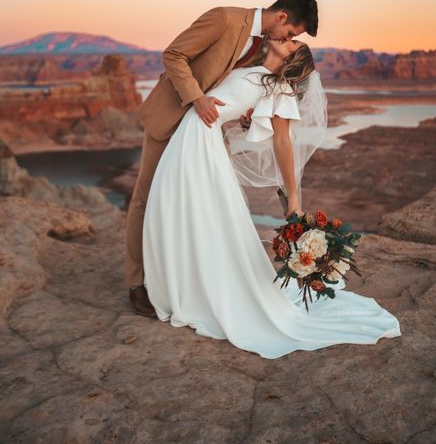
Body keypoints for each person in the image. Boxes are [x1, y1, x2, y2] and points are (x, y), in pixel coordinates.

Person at [141, 37, 402, 359]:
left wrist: (294, 197)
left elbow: (282, 143)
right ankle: (183, 289)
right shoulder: (251, 66)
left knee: (193, 217)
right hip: (191, 137)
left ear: (293, 58)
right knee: (172, 212)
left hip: (201, 146)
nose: (286, 38)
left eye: (292, 41)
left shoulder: (280, 90)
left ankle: (196, 295)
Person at [125, 0, 319, 316]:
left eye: (293, 41)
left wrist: (242, 116)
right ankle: (137, 284)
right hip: (174, 115)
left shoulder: (263, 47)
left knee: (194, 210)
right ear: (282, 17)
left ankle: (183, 280)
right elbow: (174, 55)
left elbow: (249, 100)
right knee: (147, 197)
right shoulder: (226, 19)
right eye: (292, 35)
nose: (289, 39)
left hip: (203, 136)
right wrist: (198, 99)